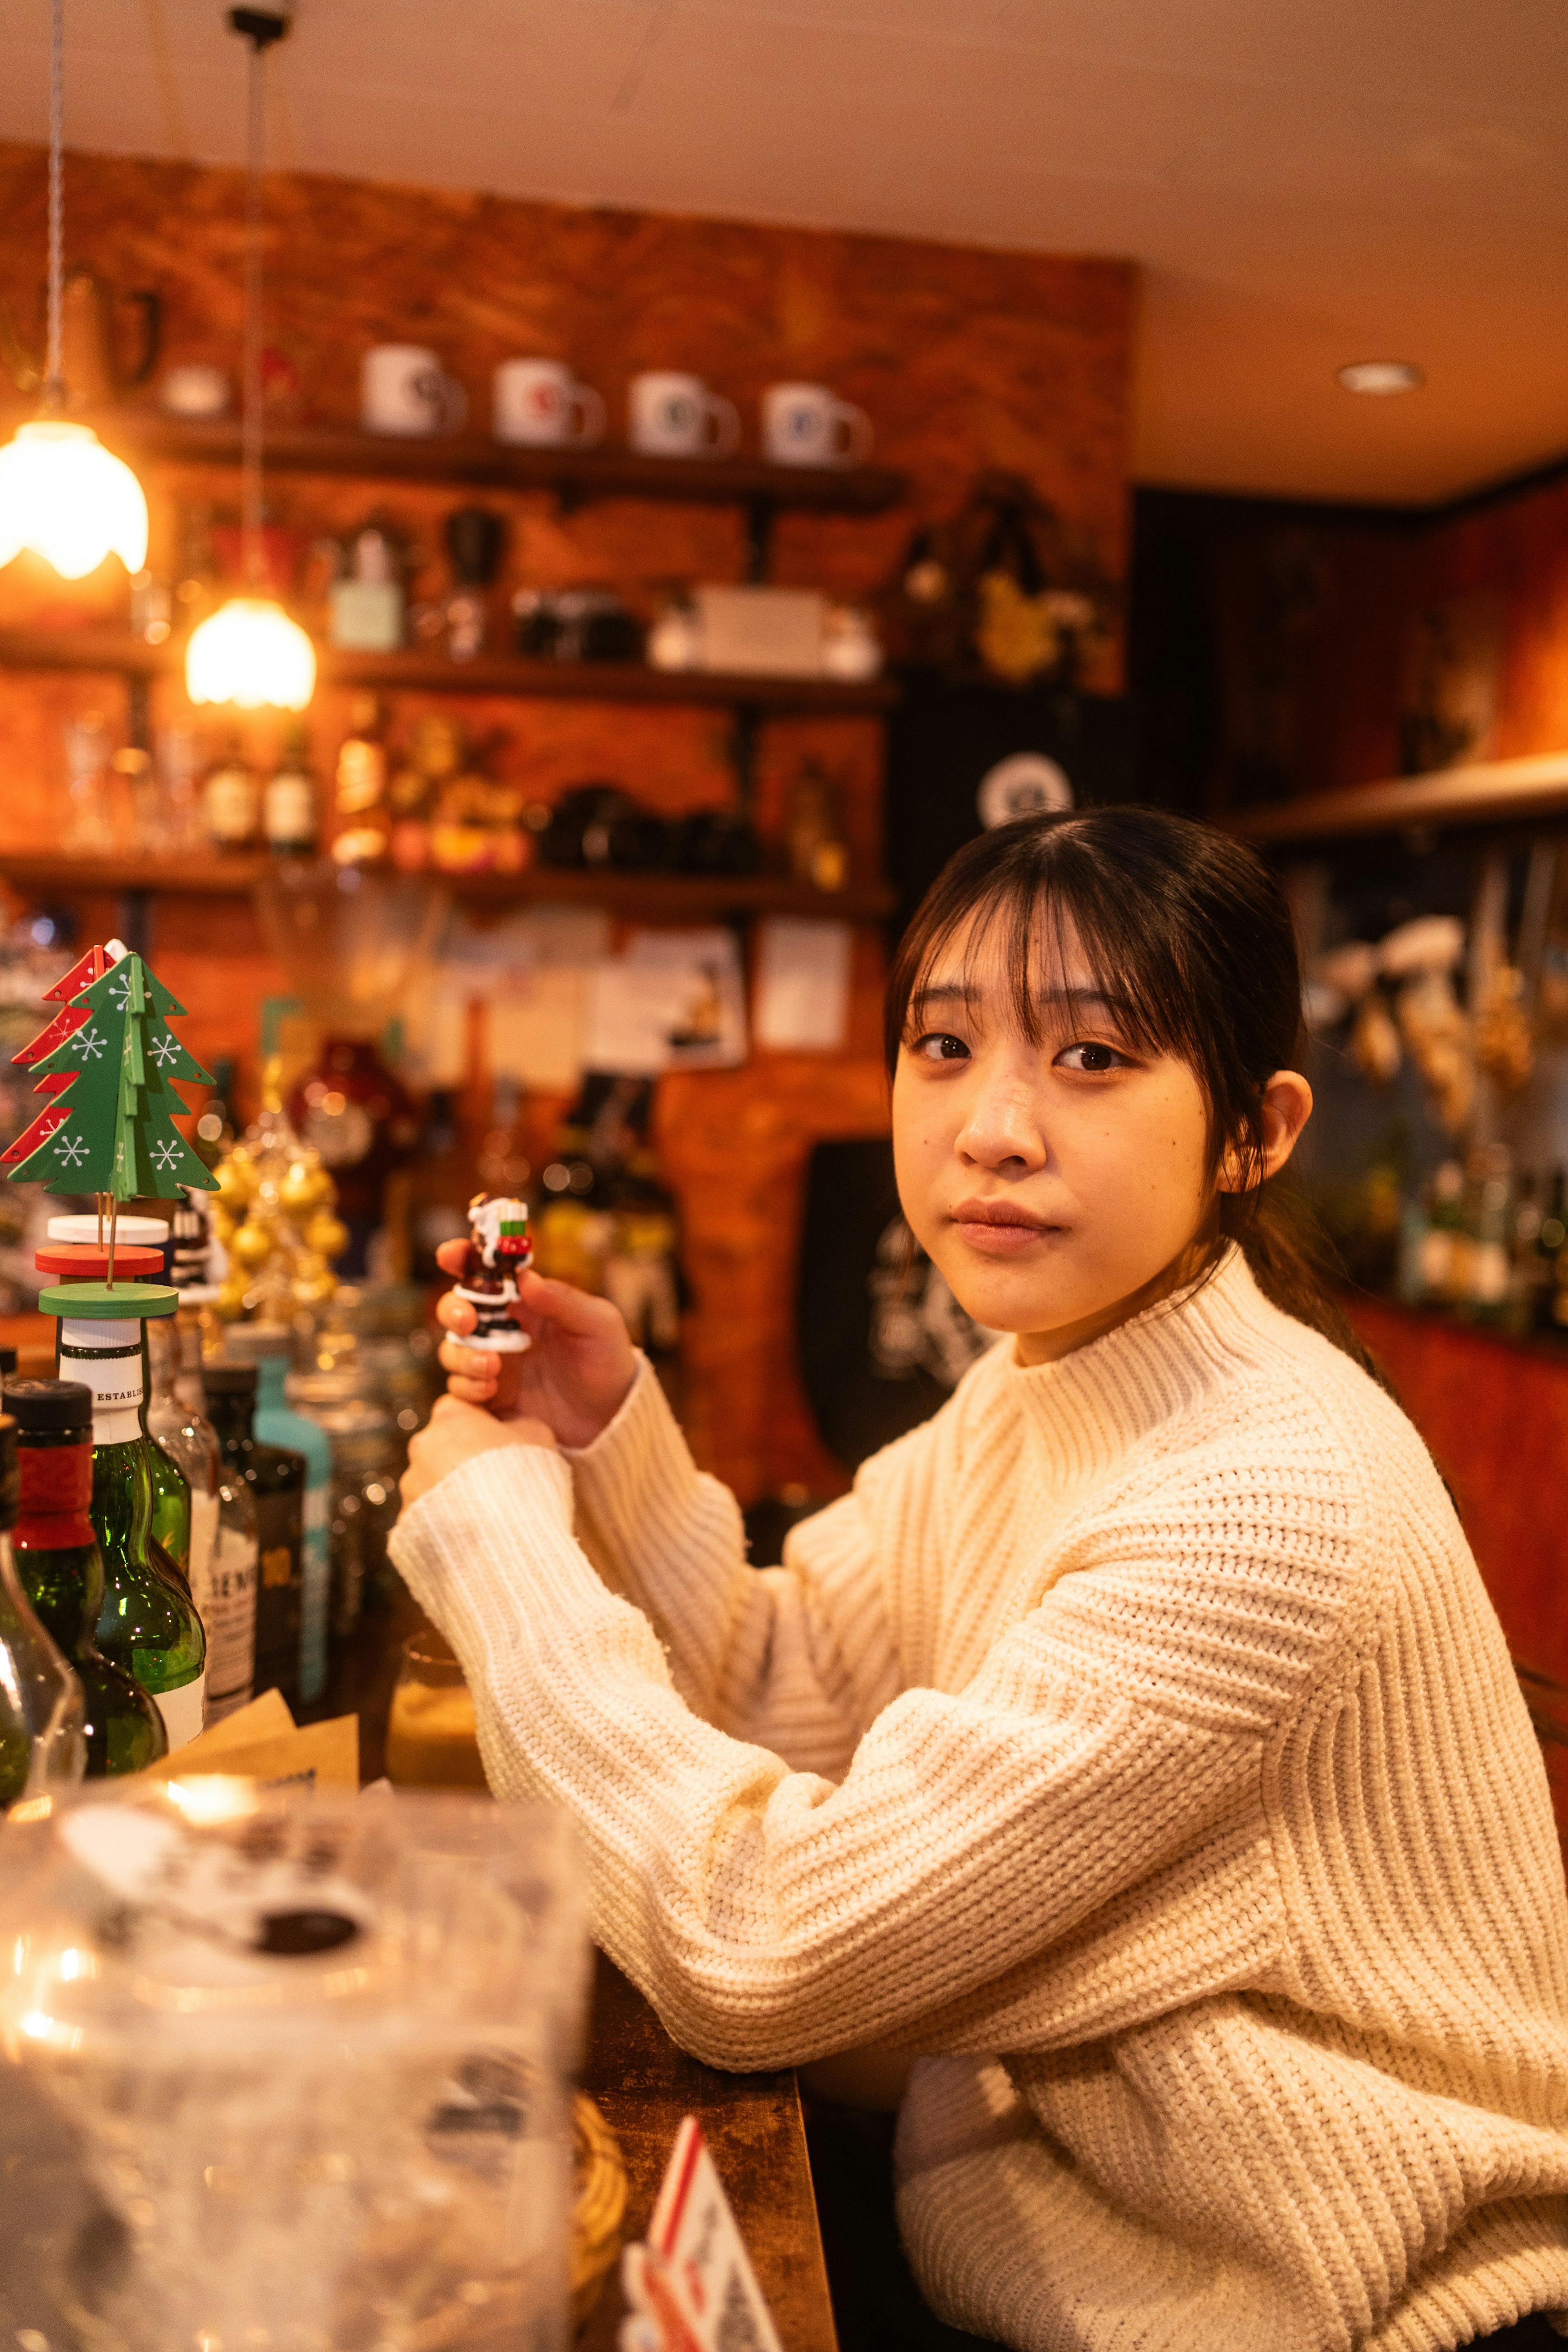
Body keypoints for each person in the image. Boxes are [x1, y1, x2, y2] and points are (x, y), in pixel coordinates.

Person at [394, 809, 1568, 2352]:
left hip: (1340, 2312)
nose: (991, 1125)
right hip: (1076, 2247)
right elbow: (793, 1679)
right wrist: (601, 1438)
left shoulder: (1267, 1501)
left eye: (1090, 1058)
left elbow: (760, 1948)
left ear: (1256, 1133)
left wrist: (499, 1550)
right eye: (943, 1045)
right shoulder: (1051, 1371)